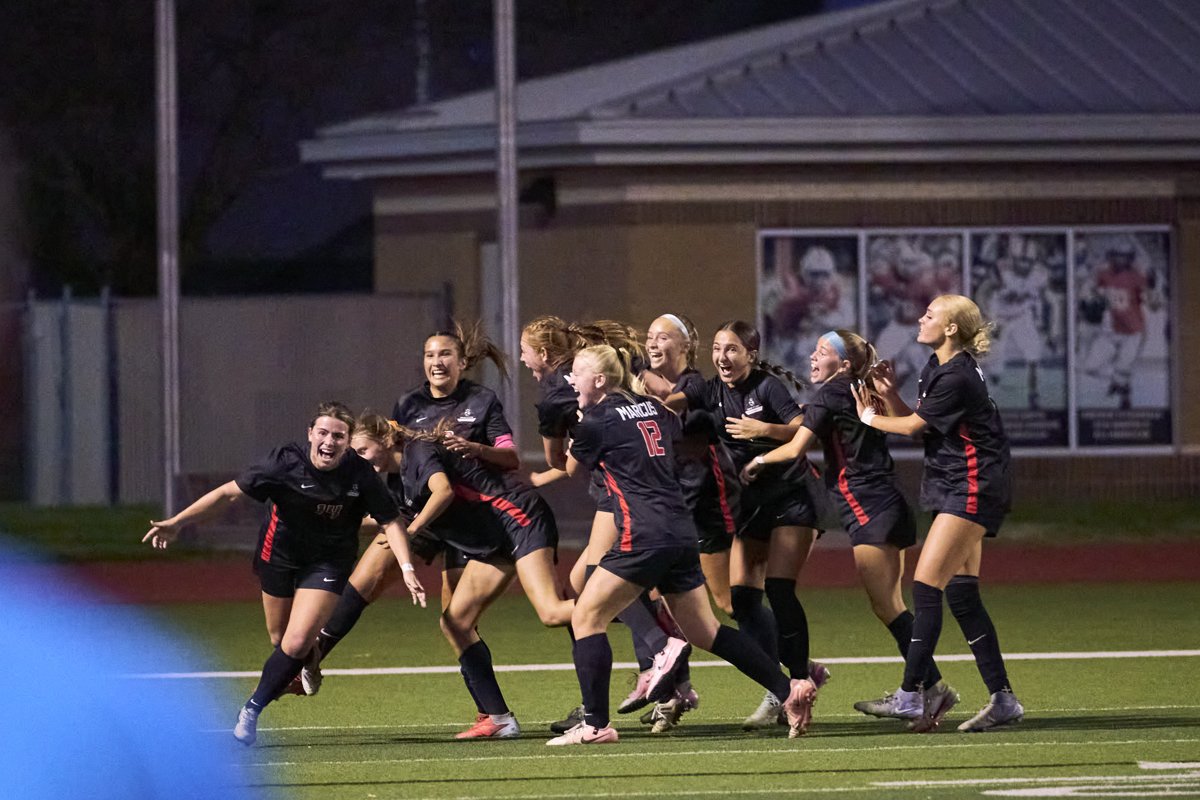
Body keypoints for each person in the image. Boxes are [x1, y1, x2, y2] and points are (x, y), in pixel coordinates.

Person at [551, 344, 815, 745]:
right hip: (679, 529)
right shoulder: (657, 409)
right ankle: (788, 691)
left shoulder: (595, 423)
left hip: (640, 533)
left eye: (578, 373)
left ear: (601, 380)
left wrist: (561, 425)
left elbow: (568, 463)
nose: (572, 380)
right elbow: (669, 441)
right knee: (707, 631)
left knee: (585, 618)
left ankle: (595, 724)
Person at [142, 401, 427, 746]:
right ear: (310, 434)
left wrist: (407, 567)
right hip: (280, 555)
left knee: (295, 641)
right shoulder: (283, 463)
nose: (329, 441)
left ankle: (251, 709)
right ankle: (311, 659)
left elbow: (390, 520)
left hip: (328, 562)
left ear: (348, 441)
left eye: (339, 436)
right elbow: (227, 495)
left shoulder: (359, 473)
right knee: (280, 639)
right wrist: (177, 523)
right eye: (323, 433)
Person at [742, 330, 957, 726]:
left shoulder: (832, 392)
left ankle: (931, 690)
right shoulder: (855, 389)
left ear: (842, 365)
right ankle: (929, 692)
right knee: (890, 605)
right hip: (887, 500)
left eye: (822, 351)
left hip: (869, 505)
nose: (812, 356)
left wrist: (756, 461)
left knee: (890, 607)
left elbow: (795, 448)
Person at [309, 322, 515, 702]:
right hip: (418, 509)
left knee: (456, 622)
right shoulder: (408, 404)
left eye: (445, 354)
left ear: (462, 361)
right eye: (429, 355)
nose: (436, 362)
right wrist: (379, 515)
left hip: (465, 515)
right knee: (365, 575)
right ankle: (311, 657)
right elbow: (388, 456)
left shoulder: (483, 401)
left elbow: (510, 457)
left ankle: (494, 714)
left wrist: (477, 449)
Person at [852, 295, 1025, 732]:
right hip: (956, 484)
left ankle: (911, 695)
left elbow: (910, 427)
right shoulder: (938, 369)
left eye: (930, 314)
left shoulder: (957, 375)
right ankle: (1003, 699)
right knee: (962, 594)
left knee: (926, 587)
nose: (919, 316)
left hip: (973, 485)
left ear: (951, 328)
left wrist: (870, 416)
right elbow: (920, 425)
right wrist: (891, 398)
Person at [520, 315, 690, 733]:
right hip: (631, 490)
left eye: (524, 351)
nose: (522, 360)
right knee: (594, 583)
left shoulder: (557, 395)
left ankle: (658, 658)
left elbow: (562, 461)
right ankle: (663, 677)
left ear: (542, 354)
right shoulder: (603, 371)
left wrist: (551, 471)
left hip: (620, 493)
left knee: (595, 579)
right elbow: (668, 406)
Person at [665, 320, 829, 731]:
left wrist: (764, 430)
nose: (723, 357)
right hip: (755, 504)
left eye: (733, 349)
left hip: (794, 496)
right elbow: (672, 401)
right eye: (718, 348)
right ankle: (793, 677)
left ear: (751, 355)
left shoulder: (767, 388)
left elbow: (803, 429)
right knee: (742, 601)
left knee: (779, 589)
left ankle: (794, 684)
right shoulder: (709, 389)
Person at [383, 412, 575, 740]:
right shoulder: (397, 478)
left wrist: (413, 529)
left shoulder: (417, 451)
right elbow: (388, 519)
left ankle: (632, 607)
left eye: (360, 450)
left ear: (383, 442)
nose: (356, 459)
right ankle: (499, 718)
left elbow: (442, 492)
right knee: (455, 622)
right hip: (497, 535)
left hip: (519, 516)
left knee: (551, 612)